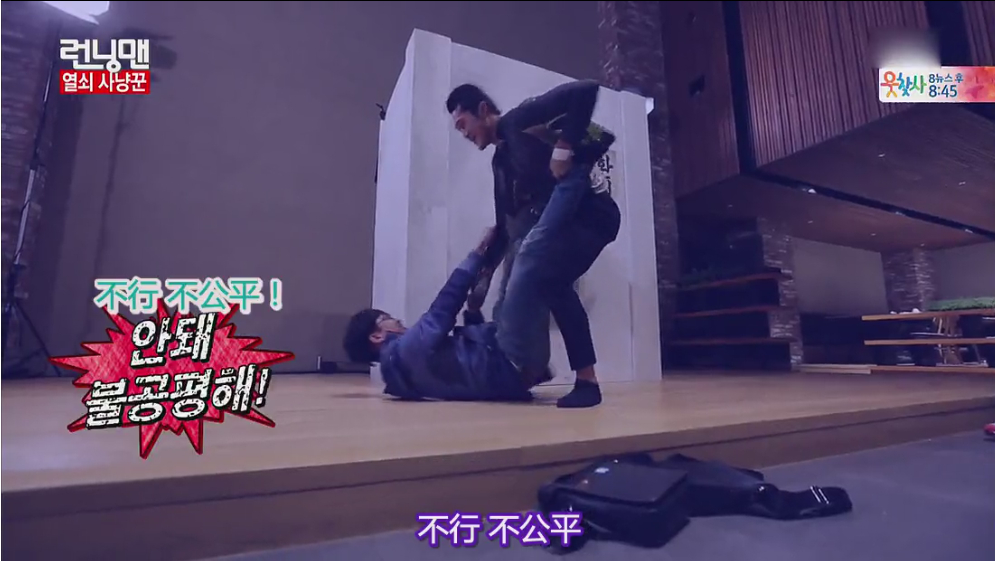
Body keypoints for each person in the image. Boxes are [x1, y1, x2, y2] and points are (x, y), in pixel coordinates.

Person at [444, 80, 621, 408]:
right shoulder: (499, 163)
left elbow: (585, 91)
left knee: (546, 276)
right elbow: (506, 227)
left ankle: (569, 376)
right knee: (542, 281)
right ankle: (554, 373)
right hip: (568, 224)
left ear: (483, 110)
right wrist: (482, 280)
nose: (464, 134)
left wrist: (564, 147)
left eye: (463, 124)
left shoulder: (519, 120)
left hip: (594, 216)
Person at [342, 228, 550, 402]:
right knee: (529, 254)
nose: (397, 320)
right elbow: (444, 307)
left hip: (511, 369)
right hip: (512, 358)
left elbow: (466, 370)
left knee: (517, 261)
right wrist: (476, 254)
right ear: (377, 336)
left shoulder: (403, 378)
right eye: (387, 318)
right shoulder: (405, 352)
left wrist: (473, 313)